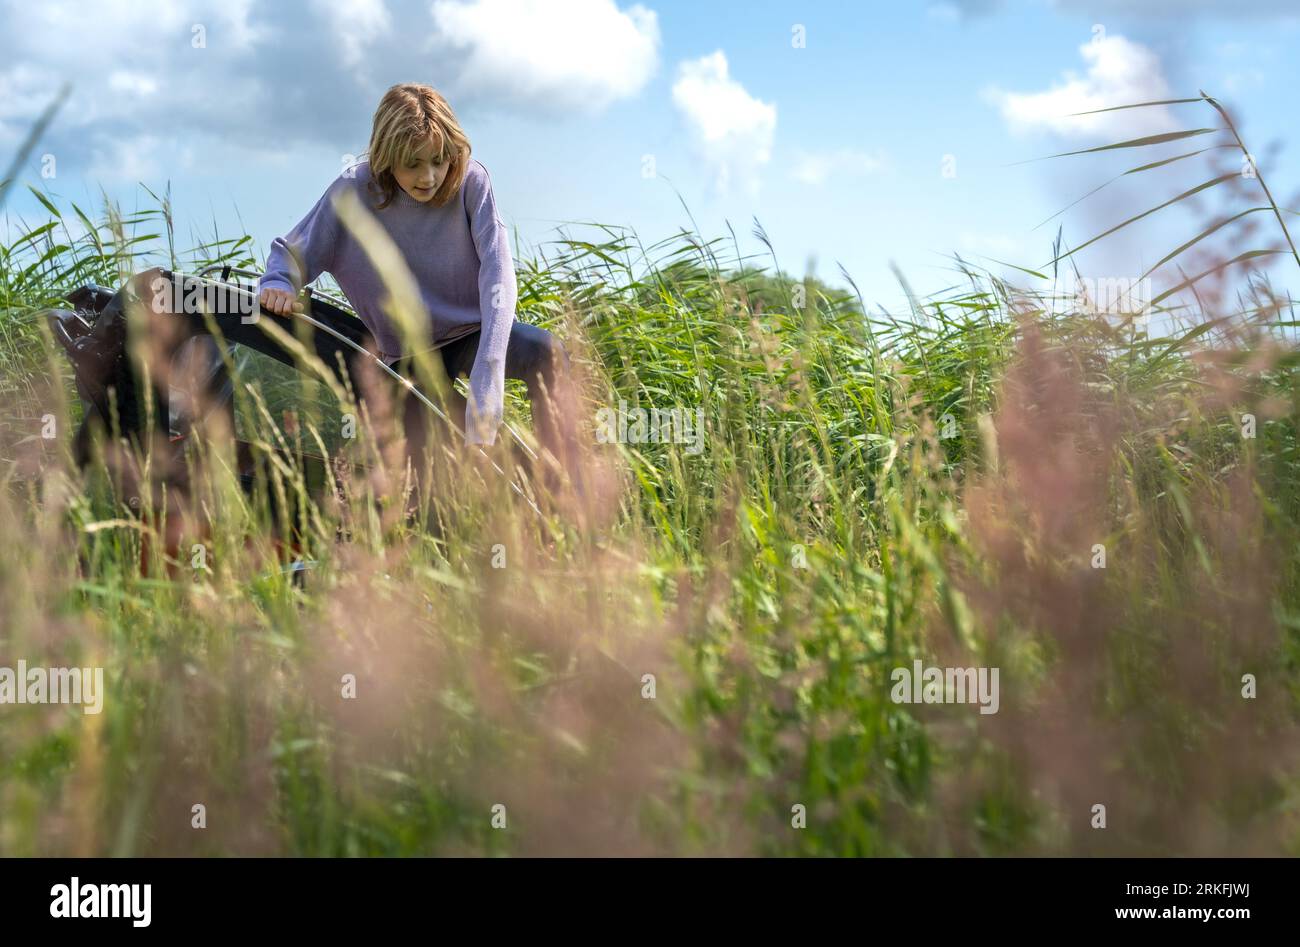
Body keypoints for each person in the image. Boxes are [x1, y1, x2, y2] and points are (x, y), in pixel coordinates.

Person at [257, 82, 581, 498]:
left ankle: (563, 495)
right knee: (439, 476)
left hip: (470, 334)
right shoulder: (353, 191)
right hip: (406, 357)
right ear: (386, 156)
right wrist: (279, 283)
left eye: (439, 161)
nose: (428, 177)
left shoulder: (470, 182)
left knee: (547, 353)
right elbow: (292, 252)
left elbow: (498, 274)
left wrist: (488, 376)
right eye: (412, 164)